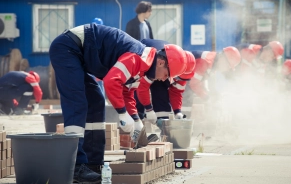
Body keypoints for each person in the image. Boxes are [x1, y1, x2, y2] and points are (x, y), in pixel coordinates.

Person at [49, 23, 187, 183]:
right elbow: (111, 81)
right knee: (77, 102)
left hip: (79, 55)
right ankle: (75, 166)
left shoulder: (143, 67)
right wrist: (122, 114)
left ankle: (92, 163)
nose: (164, 79)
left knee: (96, 101)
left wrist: (135, 120)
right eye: (166, 75)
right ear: (162, 63)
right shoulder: (138, 57)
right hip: (68, 48)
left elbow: (128, 93)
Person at [135, 39, 196, 124]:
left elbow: (176, 93)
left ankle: (163, 122)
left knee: (161, 94)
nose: (178, 81)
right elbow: (142, 87)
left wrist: (177, 112)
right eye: (178, 77)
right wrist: (149, 109)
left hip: (165, 67)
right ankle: (136, 119)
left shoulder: (182, 74)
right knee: (137, 91)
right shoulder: (156, 63)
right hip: (151, 63)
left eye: (180, 79)